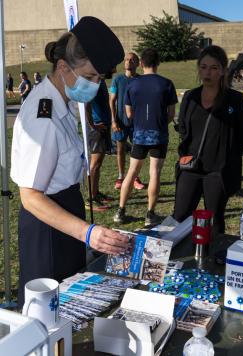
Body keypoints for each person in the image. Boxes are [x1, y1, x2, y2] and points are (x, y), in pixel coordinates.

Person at [11, 16, 129, 308]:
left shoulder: (62, 102)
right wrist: (86, 233)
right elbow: (30, 197)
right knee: (51, 311)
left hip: (65, 214)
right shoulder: (44, 116)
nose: (95, 85)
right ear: (63, 67)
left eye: (99, 79)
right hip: (47, 224)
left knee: (71, 304)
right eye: (89, 77)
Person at [173, 45, 243, 234]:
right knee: (179, 216)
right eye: (204, 67)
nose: (207, 72)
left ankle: (213, 259)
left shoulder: (235, 99)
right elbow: (183, 128)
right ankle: (178, 258)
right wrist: (186, 153)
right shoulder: (190, 97)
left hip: (218, 171)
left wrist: (225, 156)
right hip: (191, 168)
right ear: (199, 68)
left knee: (214, 217)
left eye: (214, 68)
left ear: (223, 70)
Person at [114, 48, 178, 226]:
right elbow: (171, 114)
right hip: (159, 134)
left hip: (139, 134)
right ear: (158, 63)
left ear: (141, 63)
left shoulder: (132, 84)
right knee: (154, 172)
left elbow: (128, 113)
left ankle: (120, 211)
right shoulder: (167, 84)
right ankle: (150, 214)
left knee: (132, 172)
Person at [110, 52, 145, 191]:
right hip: (120, 122)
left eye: (132, 60)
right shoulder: (117, 80)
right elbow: (112, 100)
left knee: (136, 151)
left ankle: (135, 177)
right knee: (120, 150)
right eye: (126, 60)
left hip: (137, 123)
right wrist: (114, 121)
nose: (128, 62)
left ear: (137, 63)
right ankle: (120, 177)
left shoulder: (142, 80)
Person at [85, 77, 113, 211]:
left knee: (98, 163)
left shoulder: (100, 80)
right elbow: (86, 104)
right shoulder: (94, 81)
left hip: (102, 126)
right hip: (97, 127)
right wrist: (93, 125)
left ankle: (95, 193)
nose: (114, 67)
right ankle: (89, 199)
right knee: (94, 164)